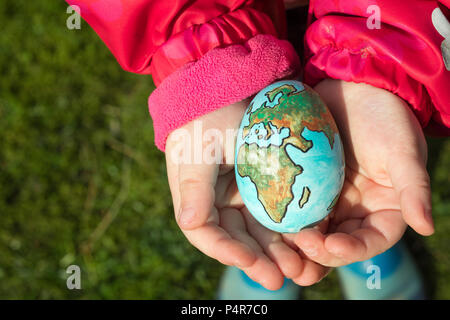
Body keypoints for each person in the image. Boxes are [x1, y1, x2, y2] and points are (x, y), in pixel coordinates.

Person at [66, 0, 450, 294]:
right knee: (271, 215)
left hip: (363, 22)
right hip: (242, 22)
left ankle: (358, 243)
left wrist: (379, 58)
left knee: (370, 165)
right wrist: (208, 60)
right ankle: (268, 254)